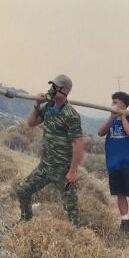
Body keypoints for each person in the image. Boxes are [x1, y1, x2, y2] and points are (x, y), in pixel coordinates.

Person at [16, 75, 84, 225]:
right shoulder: (48, 108)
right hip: (45, 166)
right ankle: (25, 221)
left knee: (71, 207)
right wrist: (37, 104)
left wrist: (72, 171)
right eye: (51, 86)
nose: (52, 89)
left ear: (66, 90)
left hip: (62, 169)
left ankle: (77, 235)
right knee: (22, 190)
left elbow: (78, 144)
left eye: (56, 87)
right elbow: (31, 123)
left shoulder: (70, 114)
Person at [97, 92, 129, 235]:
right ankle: (124, 221)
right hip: (113, 163)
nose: (113, 104)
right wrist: (112, 116)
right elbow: (100, 132)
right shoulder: (111, 119)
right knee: (119, 194)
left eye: (115, 102)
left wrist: (122, 117)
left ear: (123, 104)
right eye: (112, 102)